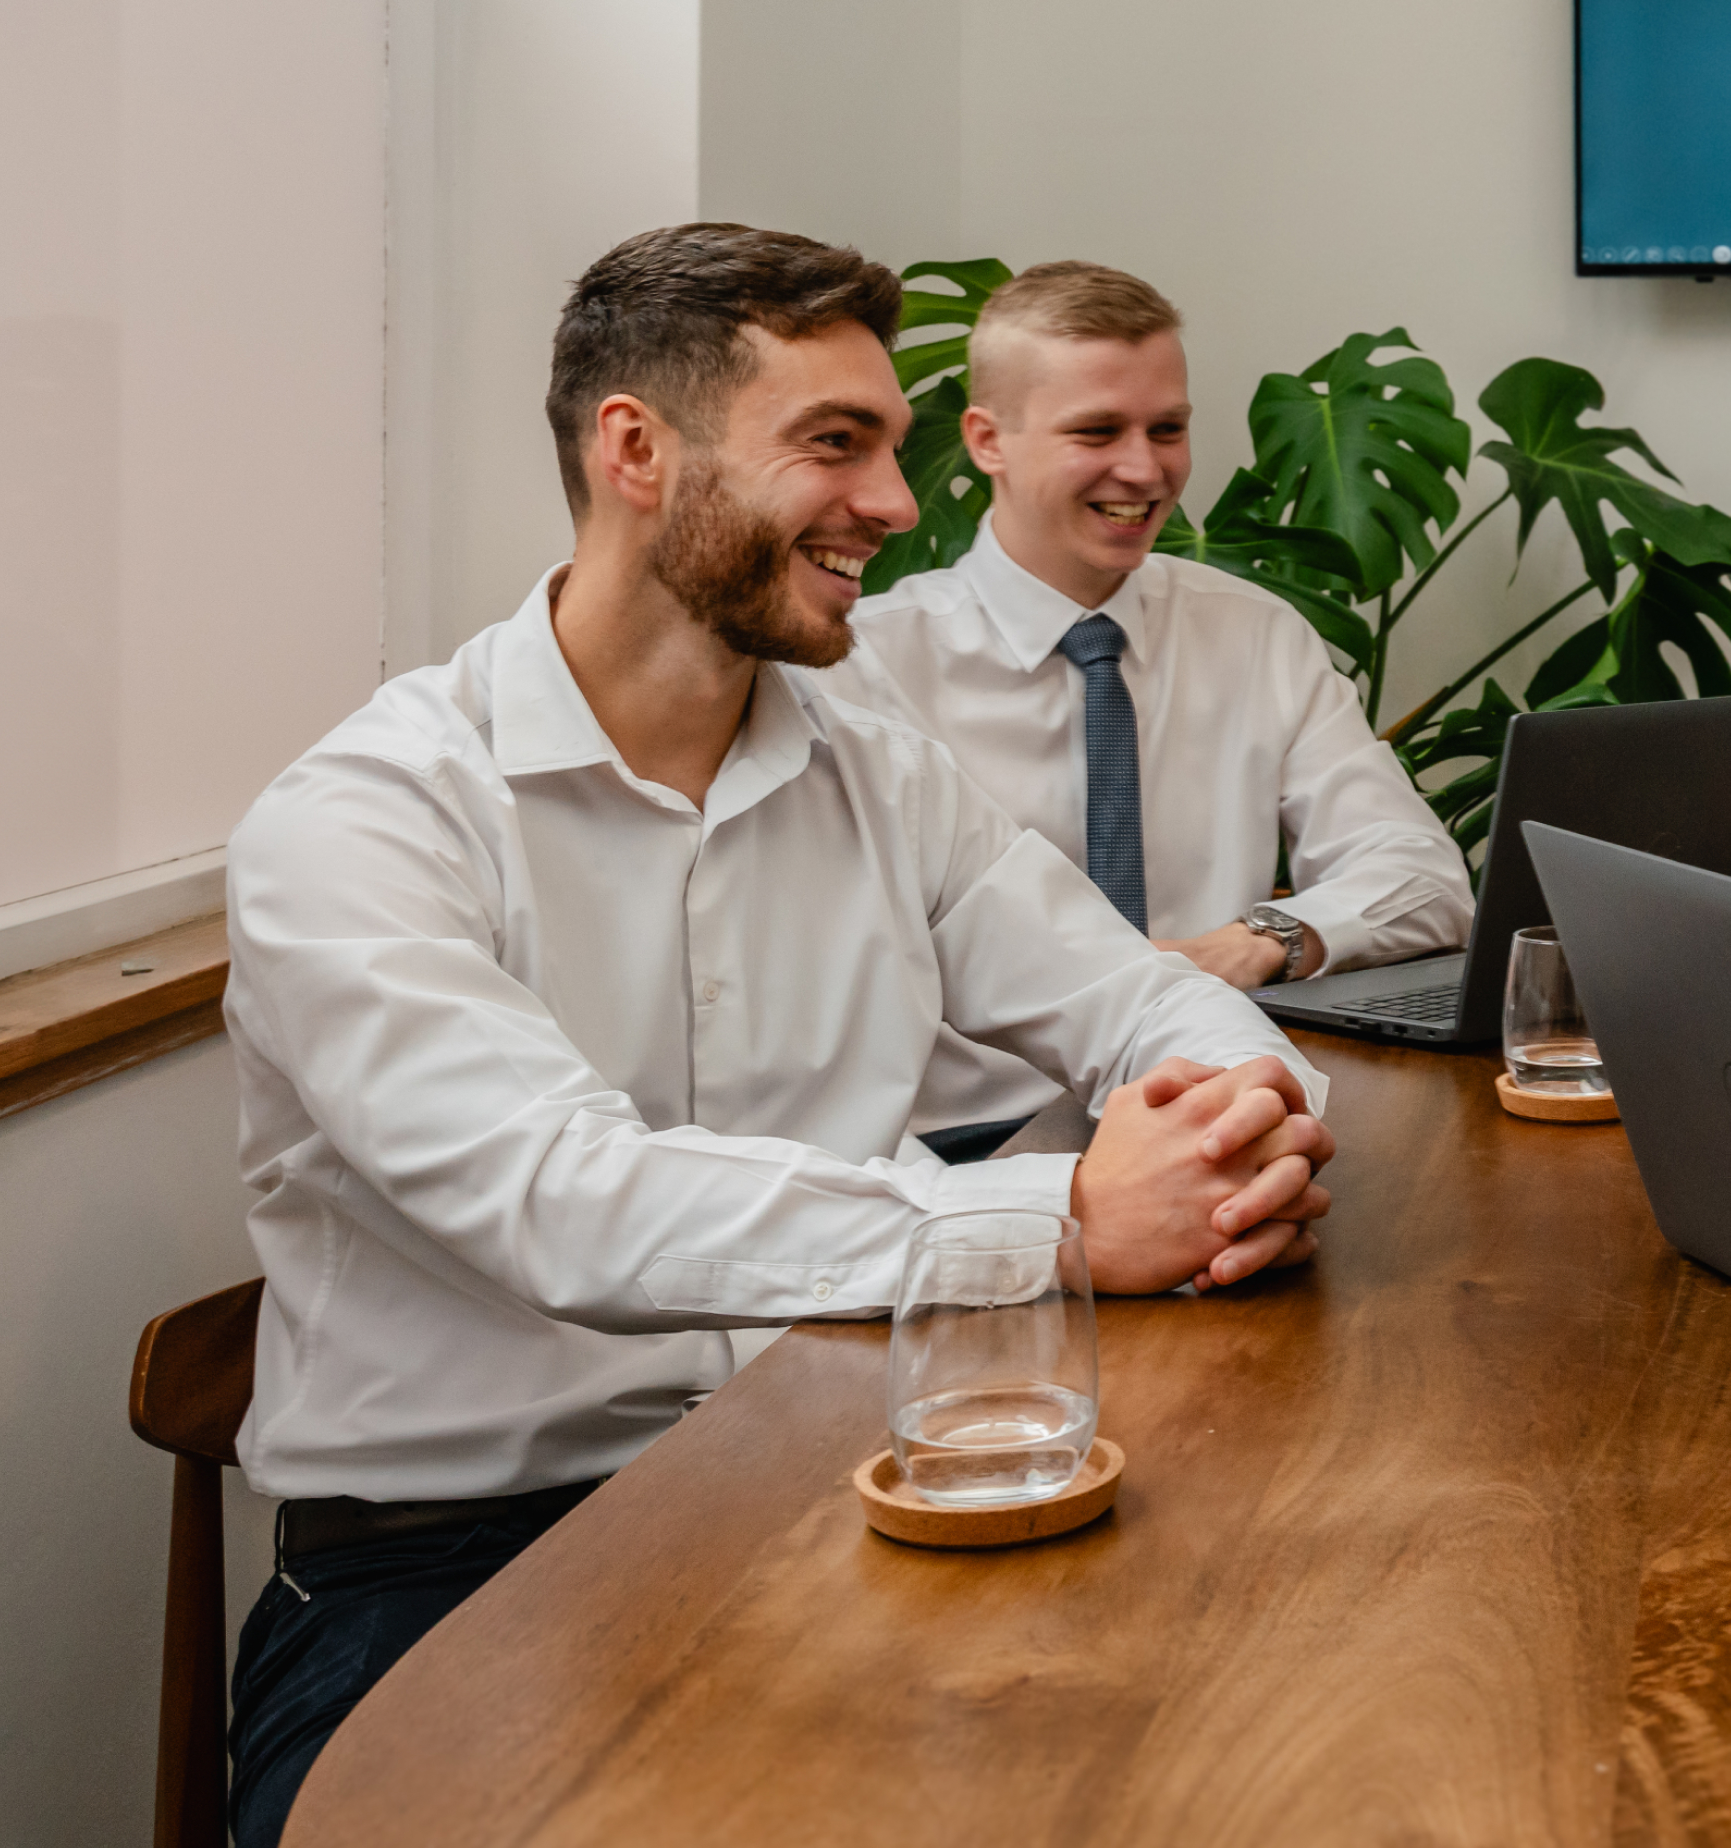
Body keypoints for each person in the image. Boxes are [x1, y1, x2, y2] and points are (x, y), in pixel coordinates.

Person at [215, 224, 1339, 1848]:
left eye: (890, 444)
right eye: (837, 443)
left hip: (842, 1472)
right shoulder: (362, 822)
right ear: (635, 453)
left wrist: (1242, 1104)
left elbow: (1129, 988)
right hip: (454, 1565)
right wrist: (1064, 1216)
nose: (895, 502)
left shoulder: (875, 761)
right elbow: (563, 1199)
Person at [826, 261, 1471, 1156]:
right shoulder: (861, 663)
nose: (1145, 468)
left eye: (1167, 429)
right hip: (968, 1148)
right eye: (1097, 430)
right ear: (986, 440)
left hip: (1215, 1109)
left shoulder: (1253, 636)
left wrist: (1255, 942)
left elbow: (1425, 879)